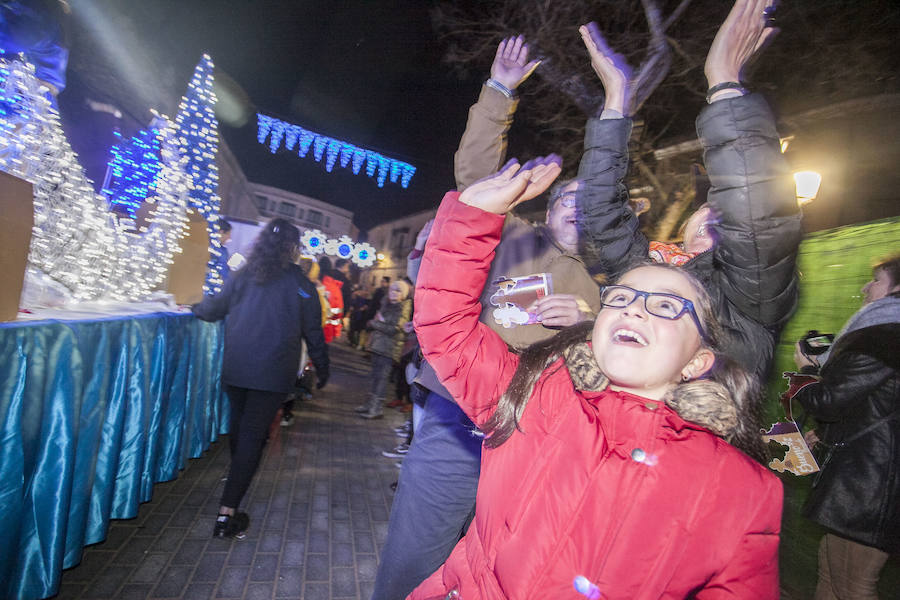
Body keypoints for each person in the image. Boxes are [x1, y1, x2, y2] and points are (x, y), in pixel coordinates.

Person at [410, 152, 781, 598]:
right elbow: (446, 328)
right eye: (621, 299)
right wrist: (474, 216)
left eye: (665, 306)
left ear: (697, 361)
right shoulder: (533, 394)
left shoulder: (742, 490)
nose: (635, 309)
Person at [371, 35, 604, 600]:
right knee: (415, 551)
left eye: (588, 198)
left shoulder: (609, 282)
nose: (576, 201)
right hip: (460, 423)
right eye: (566, 195)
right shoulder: (512, 239)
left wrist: (587, 319)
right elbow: (475, 179)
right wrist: (500, 91)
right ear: (548, 209)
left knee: (502, 568)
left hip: (539, 439)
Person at [575, 0, 801, 382]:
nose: (715, 215)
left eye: (723, 213)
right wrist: (615, 101)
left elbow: (756, 216)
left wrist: (724, 81)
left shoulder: (748, 296)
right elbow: (601, 215)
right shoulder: (646, 275)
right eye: (707, 210)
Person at [192, 218, 329, 539]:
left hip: (237, 367)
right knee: (252, 437)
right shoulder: (302, 286)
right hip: (271, 373)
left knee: (241, 432)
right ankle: (227, 513)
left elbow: (213, 309)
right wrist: (323, 368)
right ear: (294, 249)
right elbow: (314, 334)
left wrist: (191, 307)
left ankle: (236, 481)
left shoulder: (244, 276)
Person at [792, 254, 900, 600]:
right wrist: (825, 433)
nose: (866, 287)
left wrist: (805, 371)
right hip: (862, 479)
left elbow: (830, 400)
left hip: (873, 486)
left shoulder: (885, 340)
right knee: (831, 572)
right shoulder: (881, 337)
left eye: (877, 280)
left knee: (855, 584)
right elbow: (870, 407)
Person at [356, 279, 413, 419]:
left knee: (381, 379)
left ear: (404, 294)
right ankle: (370, 404)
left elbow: (394, 329)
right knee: (375, 377)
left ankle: (377, 408)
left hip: (389, 348)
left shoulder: (403, 308)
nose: (394, 292)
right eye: (392, 289)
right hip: (378, 346)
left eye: (398, 290)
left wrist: (376, 323)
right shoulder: (386, 304)